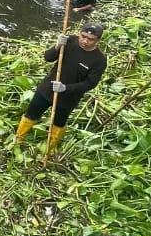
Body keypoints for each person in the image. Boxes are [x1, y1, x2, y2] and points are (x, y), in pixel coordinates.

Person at [15, 24, 107, 153]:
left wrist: (65, 88)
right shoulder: (69, 41)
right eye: (83, 36)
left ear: (98, 40)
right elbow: (48, 58)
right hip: (48, 88)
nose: (85, 41)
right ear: (79, 33)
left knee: (59, 123)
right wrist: (57, 45)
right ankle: (18, 140)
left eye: (90, 39)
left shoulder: (99, 60)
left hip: (68, 98)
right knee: (31, 114)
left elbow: (90, 83)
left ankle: (50, 149)